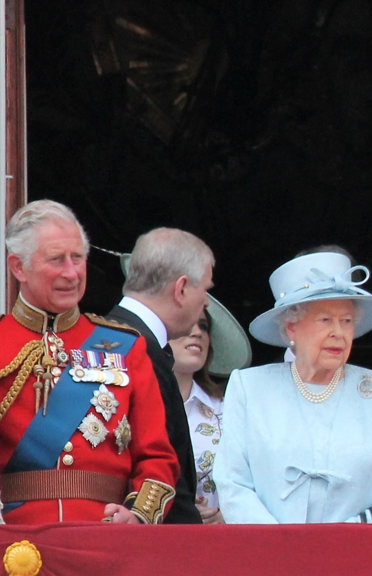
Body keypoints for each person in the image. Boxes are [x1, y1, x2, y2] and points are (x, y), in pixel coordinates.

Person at [0, 200, 179, 524]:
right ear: (18, 267)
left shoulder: (127, 347)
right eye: (56, 260)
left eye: (78, 258)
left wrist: (138, 516)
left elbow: (158, 457)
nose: (71, 272)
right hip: (14, 543)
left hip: (107, 540)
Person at [215, 251, 372, 524]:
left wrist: (346, 538)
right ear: (291, 329)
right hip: (270, 556)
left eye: (346, 321)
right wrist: (279, 543)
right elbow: (232, 482)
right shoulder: (250, 388)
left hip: (357, 554)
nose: (338, 332)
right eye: (325, 320)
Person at [108, 229, 216, 524]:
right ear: (181, 289)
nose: (205, 303)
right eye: (205, 290)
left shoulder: (101, 340)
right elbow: (162, 475)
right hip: (146, 549)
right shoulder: (141, 352)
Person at [168, 297, 252, 524]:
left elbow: (258, 482)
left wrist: (229, 516)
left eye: (203, 327)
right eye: (186, 322)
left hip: (219, 545)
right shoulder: (131, 404)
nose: (196, 332)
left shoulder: (231, 411)